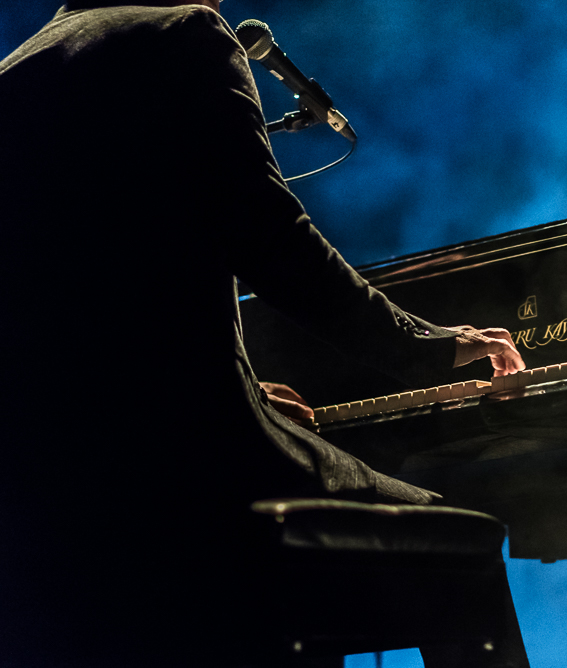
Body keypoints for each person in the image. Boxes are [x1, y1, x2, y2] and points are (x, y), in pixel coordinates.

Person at [0, 1, 525, 665]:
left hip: (51, 514)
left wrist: (229, 380)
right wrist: (429, 346)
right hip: (191, 490)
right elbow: (277, 245)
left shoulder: (15, 72)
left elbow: (93, 294)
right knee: (461, 562)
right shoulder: (181, 33)